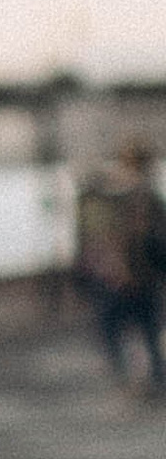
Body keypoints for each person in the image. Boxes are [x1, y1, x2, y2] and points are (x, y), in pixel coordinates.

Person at [74, 142, 166, 394]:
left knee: (121, 334)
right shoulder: (144, 197)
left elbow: (87, 241)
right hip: (131, 278)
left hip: (114, 279)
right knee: (144, 333)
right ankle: (140, 381)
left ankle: (131, 381)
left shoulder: (98, 195)